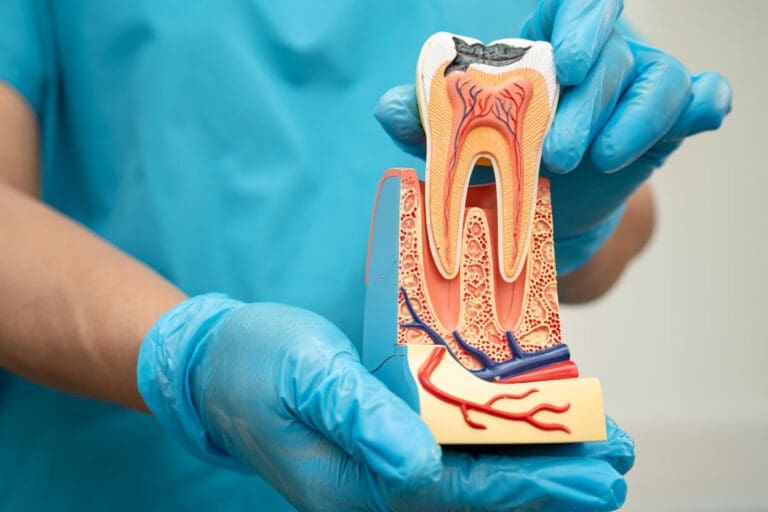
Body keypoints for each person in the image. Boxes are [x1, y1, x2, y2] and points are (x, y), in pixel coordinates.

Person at [0, 0, 730, 510]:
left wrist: (573, 216)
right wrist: (190, 357)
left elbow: (623, 225)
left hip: (461, 462)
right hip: (109, 481)